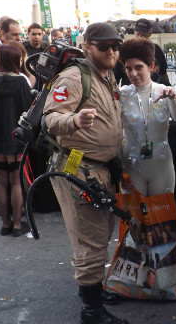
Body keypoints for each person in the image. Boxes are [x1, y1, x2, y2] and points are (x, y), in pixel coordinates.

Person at [42, 22, 126, 324]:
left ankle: (93, 290)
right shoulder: (74, 77)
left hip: (100, 168)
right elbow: (50, 117)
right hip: (79, 167)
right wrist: (74, 121)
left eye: (116, 45)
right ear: (88, 46)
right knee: (89, 240)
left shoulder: (106, 76)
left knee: (99, 233)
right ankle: (91, 310)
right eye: (104, 46)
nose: (112, 51)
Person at [119, 38, 176, 196]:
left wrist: (174, 100)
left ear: (150, 66)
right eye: (128, 68)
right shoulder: (122, 95)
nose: (133, 74)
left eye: (138, 67)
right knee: (134, 220)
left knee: (163, 219)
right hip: (131, 166)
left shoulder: (165, 91)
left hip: (162, 168)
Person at [0, 42, 33, 236]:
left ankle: (5, 223)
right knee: (16, 182)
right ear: (16, 59)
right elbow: (29, 108)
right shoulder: (22, 81)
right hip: (16, 138)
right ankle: (18, 224)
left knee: (1, 181)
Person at [134, 18, 169, 85]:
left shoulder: (156, 49)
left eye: (143, 35)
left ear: (149, 34)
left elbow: (164, 73)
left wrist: (168, 87)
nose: (140, 38)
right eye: (137, 35)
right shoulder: (127, 51)